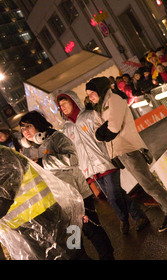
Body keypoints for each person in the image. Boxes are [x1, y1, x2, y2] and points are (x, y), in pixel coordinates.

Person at [85, 77, 167, 234]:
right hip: (120, 151)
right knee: (147, 185)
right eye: (88, 95)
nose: (91, 97)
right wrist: (103, 131)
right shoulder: (99, 108)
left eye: (92, 93)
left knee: (149, 184)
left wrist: (104, 131)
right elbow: (97, 134)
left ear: (100, 90)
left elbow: (112, 129)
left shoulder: (114, 100)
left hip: (129, 148)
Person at [19, 111, 115, 260]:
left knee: (92, 230)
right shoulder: (30, 149)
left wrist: (43, 162)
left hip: (78, 194)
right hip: (59, 200)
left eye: (28, 126)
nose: (25, 131)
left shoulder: (57, 138)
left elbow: (73, 159)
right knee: (73, 240)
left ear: (38, 125)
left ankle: (108, 257)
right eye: (22, 128)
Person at [56, 91, 150, 235]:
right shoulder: (66, 128)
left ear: (73, 101)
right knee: (117, 195)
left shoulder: (90, 115)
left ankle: (123, 219)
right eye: (60, 106)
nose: (62, 108)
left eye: (64, 103)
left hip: (105, 160)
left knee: (113, 196)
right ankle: (140, 217)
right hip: (90, 169)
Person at [0, 146, 86, 260]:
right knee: (72, 251)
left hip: (42, 217)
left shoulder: (3, 155)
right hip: (33, 220)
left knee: (72, 253)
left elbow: (5, 194)